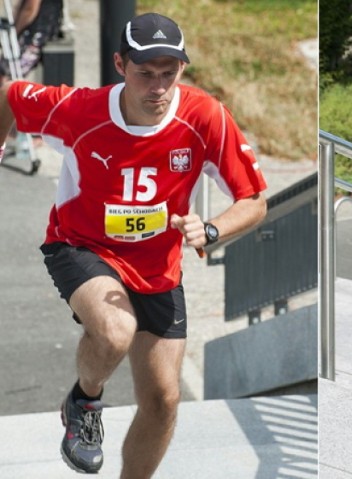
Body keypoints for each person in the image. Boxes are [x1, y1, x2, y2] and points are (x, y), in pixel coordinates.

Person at [0, 12, 267, 477]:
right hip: (79, 245)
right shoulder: (79, 109)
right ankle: (85, 402)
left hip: (158, 266)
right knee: (116, 329)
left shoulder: (205, 116)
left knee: (164, 399)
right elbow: (9, 94)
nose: (158, 87)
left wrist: (210, 230)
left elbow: (254, 200)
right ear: (120, 64)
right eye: (145, 73)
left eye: (169, 73)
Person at [0, 0, 64, 81]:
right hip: (42, 28)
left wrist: (14, 31)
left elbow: (29, 9)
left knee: (8, 74)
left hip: (36, 32)